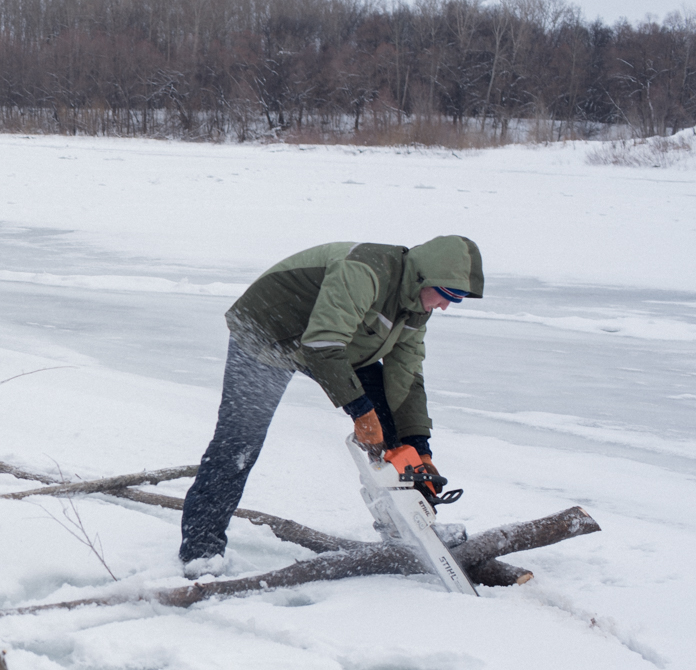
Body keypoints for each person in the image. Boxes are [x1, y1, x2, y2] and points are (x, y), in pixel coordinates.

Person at [178, 236, 484, 571]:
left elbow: (406, 379)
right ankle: (201, 551)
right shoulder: (366, 270)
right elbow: (322, 344)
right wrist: (360, 411)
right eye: (448, 295)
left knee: (393, 433)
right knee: (240, 443)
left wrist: (418, 447)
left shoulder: (415, 308)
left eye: (456, 300)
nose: (445, 306)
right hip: (268, 333)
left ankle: (411, 525)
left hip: (339, 345)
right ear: (427, 277)